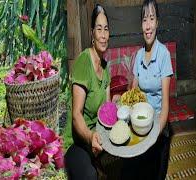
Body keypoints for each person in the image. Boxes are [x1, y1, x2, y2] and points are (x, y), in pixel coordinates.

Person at [122, 0, 173, 179]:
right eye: (145, 20)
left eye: (152, 19)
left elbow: (165, 107)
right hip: (141, 124)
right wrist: (120, 102)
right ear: (141, 25)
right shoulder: (138, 55)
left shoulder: (164, 55)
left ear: (157, 22)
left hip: (158, 127)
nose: (148, 25)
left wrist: (152, 138)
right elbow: (133, 96)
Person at [63, 4, 113, 179]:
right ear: (92, 33)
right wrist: (91, 136)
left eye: (106, 29)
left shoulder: (106, 68)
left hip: (99, 139)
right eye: (99, 29)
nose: (103, 35)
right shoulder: (84, 60)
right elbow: (77, 115)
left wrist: (118, 106)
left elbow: (107, 111)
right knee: (89, 176)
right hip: (78, 142)